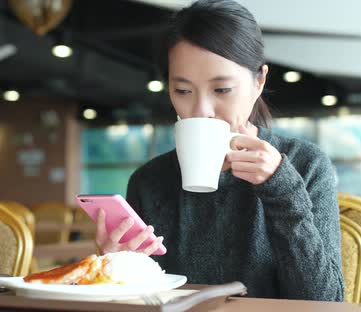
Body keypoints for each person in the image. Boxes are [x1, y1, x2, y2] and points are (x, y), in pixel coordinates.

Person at [94, 0, 344, 301]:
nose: (201, 110)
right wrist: (116, 269)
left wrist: (281, 189)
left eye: (222, 90)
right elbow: (145, 301)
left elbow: (325, 301)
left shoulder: (306, 166)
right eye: (183, 91)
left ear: (258, 82)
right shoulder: (149, 181)